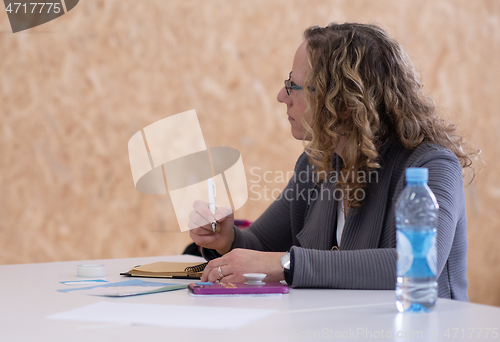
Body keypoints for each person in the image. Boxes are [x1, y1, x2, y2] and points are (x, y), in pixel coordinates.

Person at [188, 23, 477, 301]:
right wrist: (227, 240)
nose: (281, 97)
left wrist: (288, 264)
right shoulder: (316, 165)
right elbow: (261, 248)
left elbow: (416, 264)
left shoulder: (432, 166)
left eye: (293, 86)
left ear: (342, 104)